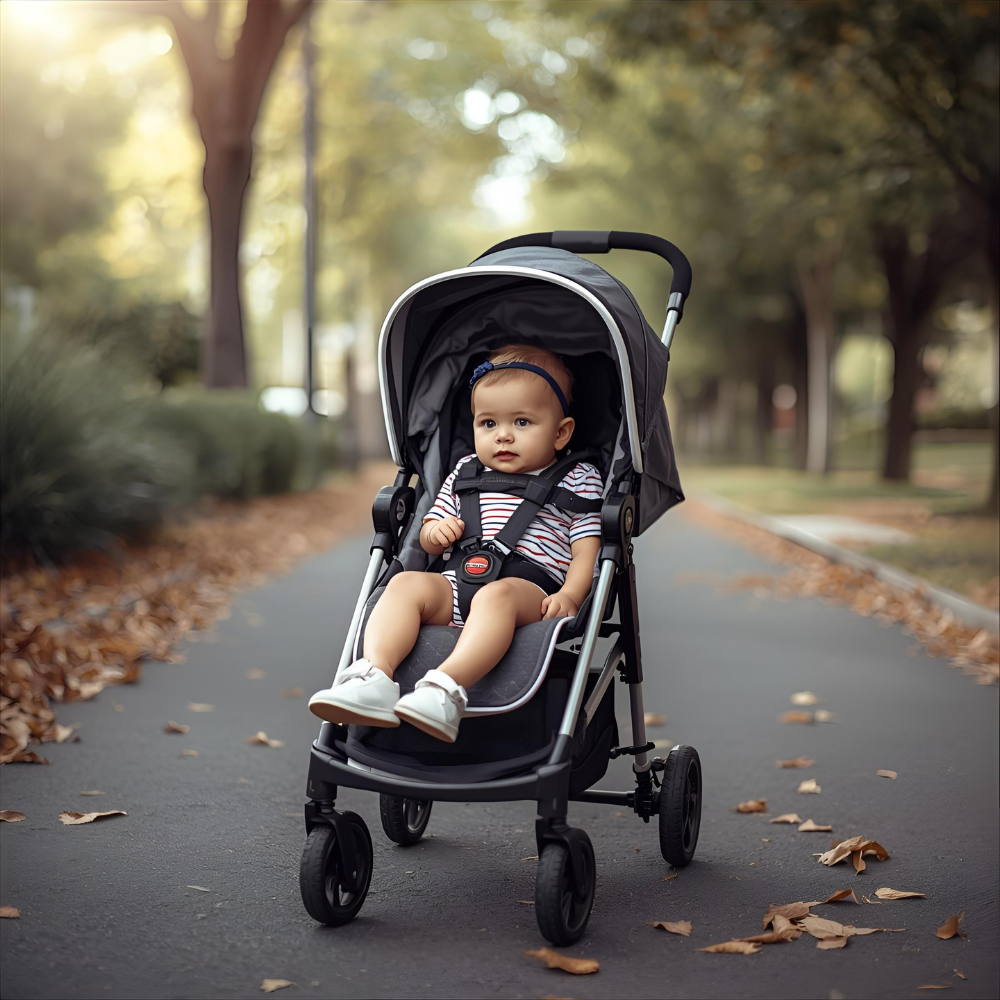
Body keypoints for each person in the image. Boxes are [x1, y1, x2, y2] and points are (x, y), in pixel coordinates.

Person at [308, 344, 602, 742]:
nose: (503, 436)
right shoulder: (465, 471)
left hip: (529, 591)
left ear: (561, 432)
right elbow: (429, 533)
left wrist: (571, 594)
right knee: (404, 585)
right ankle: (374, 676)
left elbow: (587, 549)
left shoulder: (578, 477)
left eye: (521, 421)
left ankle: (445, 688)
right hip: (455, 581)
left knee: (496, 597)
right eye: (488, 423)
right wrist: (435, 532)